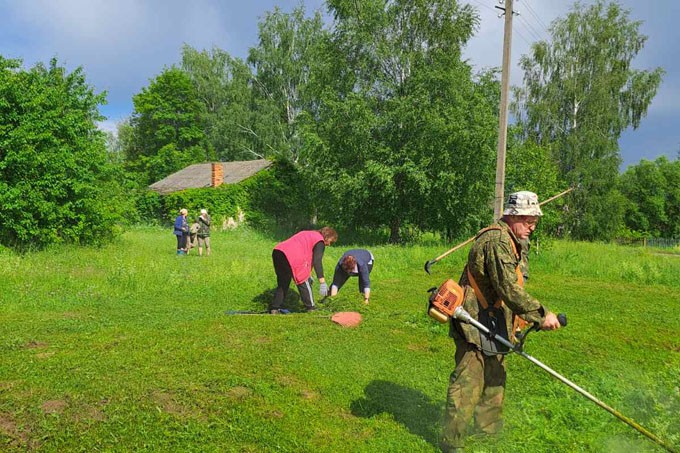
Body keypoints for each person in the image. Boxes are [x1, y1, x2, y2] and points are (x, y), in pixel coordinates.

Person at [440, 191, 562, 453]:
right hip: (473, 321)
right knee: (468, 384)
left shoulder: (514, 240)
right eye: (528, 220)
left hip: (496, 323)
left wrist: (517, 322)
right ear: (512, 215)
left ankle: (487, 434)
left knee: (495, 381)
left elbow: (516, 282)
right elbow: (508, 287)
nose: (532, 226)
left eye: (535, 222)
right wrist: (542, 315)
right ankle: (452, 443)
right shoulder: (496, 240)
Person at [270, 227, 338, 314]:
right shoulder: (319, 240)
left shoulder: (308, 233)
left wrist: (309, 273)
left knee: (283, 282)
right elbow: (317, 261)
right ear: (327, 236)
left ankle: (275, 308)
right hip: (292, 256)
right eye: (331, 241)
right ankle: (311, 308)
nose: (329, 244)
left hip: (278, 251)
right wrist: (322, 282)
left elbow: (307, 256)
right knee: (303, 280)